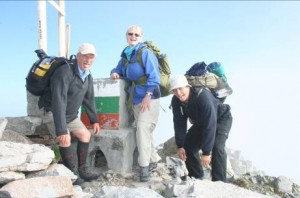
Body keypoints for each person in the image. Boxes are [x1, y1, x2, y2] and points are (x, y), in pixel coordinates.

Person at [39, 43, 101, 182]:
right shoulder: (65, 71)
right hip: (53, 112)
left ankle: (83, 169)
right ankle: (71, 174)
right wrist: (61, 129)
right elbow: (58, 100)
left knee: (85, 135)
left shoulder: (87, 76)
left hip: (70, 116)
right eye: (85, 56)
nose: (88, 60)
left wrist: (94, 120)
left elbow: (89, 99)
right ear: (78, 56)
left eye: (91, 57)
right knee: (65, 138)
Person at [110, 25, 161, 182]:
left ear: (141, 37)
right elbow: (117, 68)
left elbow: (154, 75)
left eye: (136, 35)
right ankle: (154, 160)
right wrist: (114, 72)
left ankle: (144, 167)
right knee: (144, 131)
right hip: (135, 98)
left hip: (149, 98)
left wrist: (148, 94)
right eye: (130, 34)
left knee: (142, 129)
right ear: (126, 35)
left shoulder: (145, 52)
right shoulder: (126, 54)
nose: (133, 36)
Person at [169, 75, 232, 182]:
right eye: (175, 90)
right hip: (202, 121)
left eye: (180, 89)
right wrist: (180, 145)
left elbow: (210, 125)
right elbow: (179, 122)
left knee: (217, 147)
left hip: (221, 119)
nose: (178, 93)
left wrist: (206, 152)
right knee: (188, 145)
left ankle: (219, 182)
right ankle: (196, 177)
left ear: (187, 86)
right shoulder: (176, 100)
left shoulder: (203, 97)